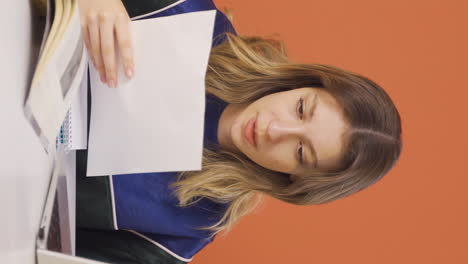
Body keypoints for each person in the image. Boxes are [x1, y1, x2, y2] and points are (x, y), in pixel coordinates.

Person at [75, 0, 403, 263]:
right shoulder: (187, 15)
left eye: (301, 152)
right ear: (303, 82)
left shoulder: (189, 228)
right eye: (301, 108)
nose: (275, 129)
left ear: (296, 180)